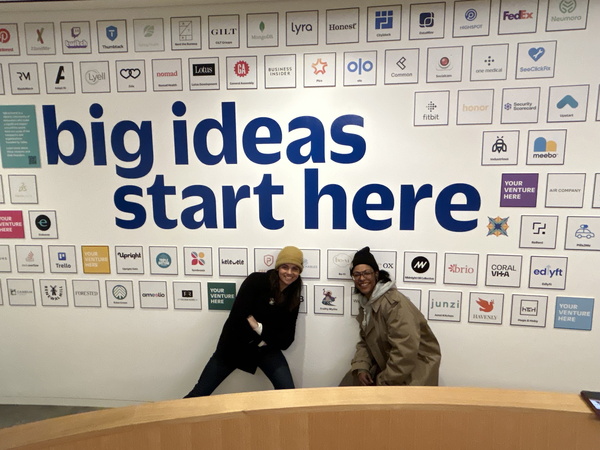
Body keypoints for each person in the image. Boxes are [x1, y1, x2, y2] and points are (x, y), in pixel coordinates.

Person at [184, 246, 304, 397]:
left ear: (299, 272)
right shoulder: (257, 281)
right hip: (233, 347)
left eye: (295, 268)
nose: (289, 272)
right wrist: (269, 335)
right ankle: (172, 420)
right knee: (200, 393)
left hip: (265, 350)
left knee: (289, 394)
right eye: (285, 267)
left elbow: (286, 340)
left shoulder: (294, 295)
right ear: (278, 267)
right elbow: (238, 318)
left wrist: (258, 327)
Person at [340, 247, 441, 387]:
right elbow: (365, 341)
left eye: (366, 273)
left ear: (376, 274)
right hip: (389, 366)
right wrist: (361, 367)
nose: (361, 278)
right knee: (346, 389)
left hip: (414, 372)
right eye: (356, 274)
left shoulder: (394, 304)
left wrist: (382, 382)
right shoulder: (367, 304)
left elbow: (405, 351)